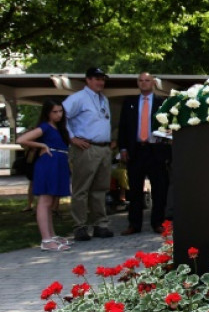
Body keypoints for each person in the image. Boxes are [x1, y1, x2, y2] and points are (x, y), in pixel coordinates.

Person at [62, 67, 115, 241]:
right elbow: (61, 117)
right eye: (96, 79)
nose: (100, 82)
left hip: (103, 148)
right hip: (86, 147)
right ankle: (80, 226)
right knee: (81, 188)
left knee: (100, 189)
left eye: (102, 79)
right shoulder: (77, 98)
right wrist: (72, 138)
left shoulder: (103, 99)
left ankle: (101, 224)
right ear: (88, 80)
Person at [16, 99, 73, 251]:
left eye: (60, 111)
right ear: (48, 113)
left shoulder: (59, 128)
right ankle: (46, 240)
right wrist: (41, 145)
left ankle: (51, 235)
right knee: (45, 200)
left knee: (51, 201)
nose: (58, 114)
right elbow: (21, 139)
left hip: (59, 163)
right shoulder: (45, 127)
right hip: (49, 164)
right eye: (55, 112)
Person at [117, 72, 170, 234]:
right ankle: (134, 224)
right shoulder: (129, 103)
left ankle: (158, 223)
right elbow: (123, 127)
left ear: (153, 83)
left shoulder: (163, 103)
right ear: (138, 83)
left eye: (147, 80)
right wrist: (123, 148)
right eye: (141, 80)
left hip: (156, 150)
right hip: (136, 150)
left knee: (159, 189)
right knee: (134, 189)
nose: (144, 83)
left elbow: (169, 126)